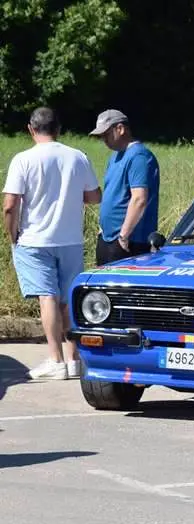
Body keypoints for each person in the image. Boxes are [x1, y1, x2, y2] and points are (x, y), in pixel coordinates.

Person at [2, 107, 102, 380]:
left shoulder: (23, 160)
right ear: (58, 129)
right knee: (69, 299)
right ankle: (73, 359)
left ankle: (55, 359)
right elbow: (94, 197)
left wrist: (13, 235)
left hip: (34, 239)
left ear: (31, 129)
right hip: (70, 238)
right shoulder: (77, 157)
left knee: (47, 297)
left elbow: (10, 205)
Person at [89, 109, 160, 265]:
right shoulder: (114, 156)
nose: (104, 140)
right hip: (108, 237)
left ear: (120, 129)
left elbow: (139, 199)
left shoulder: (139, 156)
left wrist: (124, 235)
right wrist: (102, 230)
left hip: (129, 241)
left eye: (106, 134)